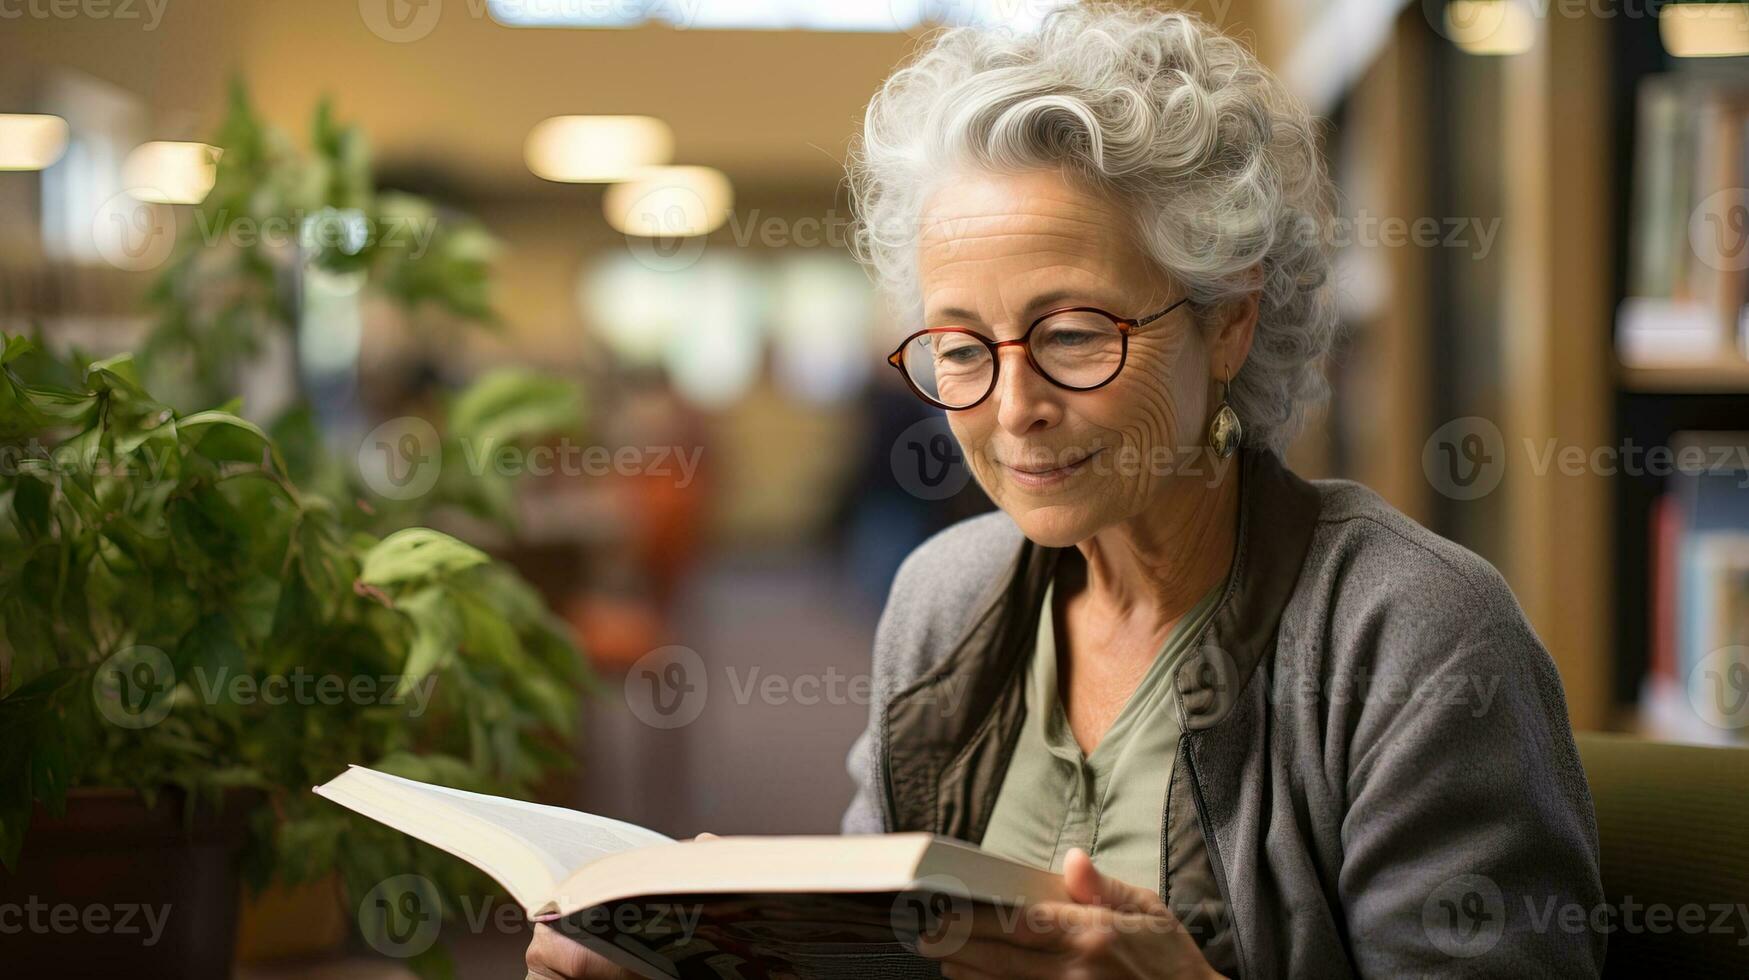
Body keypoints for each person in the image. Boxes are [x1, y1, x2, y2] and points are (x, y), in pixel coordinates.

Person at [530, 5, 1605, 977]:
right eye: (960, 346)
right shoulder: (941, 600)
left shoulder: (1416, 638)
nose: (1012, 407)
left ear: (1229, 318)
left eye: (1076, 334)